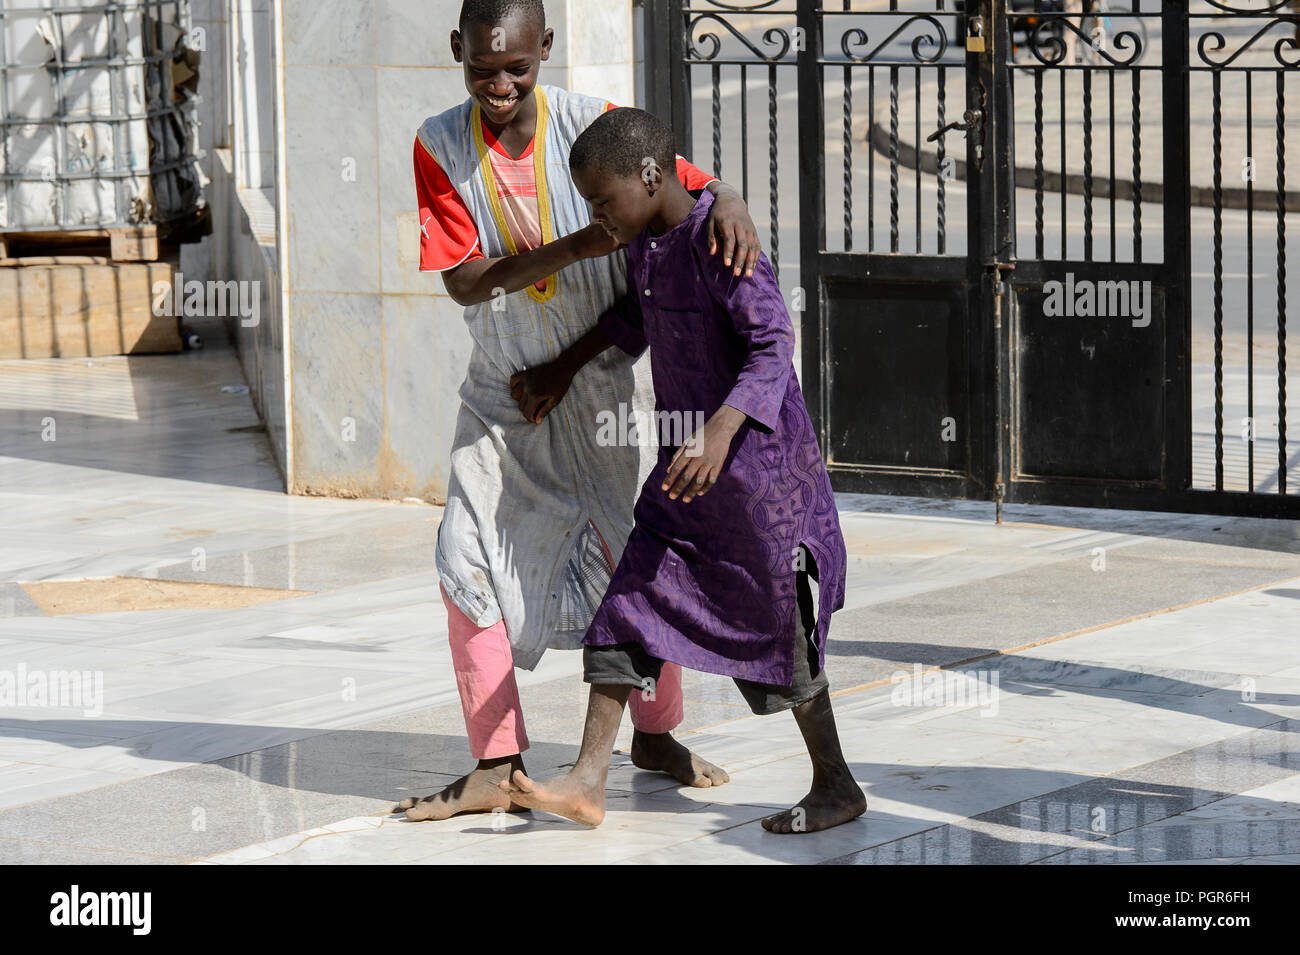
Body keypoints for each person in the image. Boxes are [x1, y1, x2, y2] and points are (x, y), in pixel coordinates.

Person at [400, 0, 764, 822]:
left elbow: (684, 185)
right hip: (502, 392)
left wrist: (733, 197)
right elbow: (462, 280)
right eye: (482, 67)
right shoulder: (438, 143)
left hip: (596, 379)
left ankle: (658, 732)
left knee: (625, 559)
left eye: (517, 68)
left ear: (546, 52)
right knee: (464, 554)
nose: (499, 84)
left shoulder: (593, 124)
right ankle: (496, 761)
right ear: (458, 50)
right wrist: (576, 246)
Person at [501, 107, 867, 834]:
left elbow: (773, 343)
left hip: (762, 485)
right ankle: (587, 778)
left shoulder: (720, 237)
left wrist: (722, 428)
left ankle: (836, 784)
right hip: (685, 483)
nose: (601, 220)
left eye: (605, 202)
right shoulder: (646, 243)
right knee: (628, 604)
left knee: (780, 633)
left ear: (648, 175)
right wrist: (560, 368)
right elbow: (633, 321)